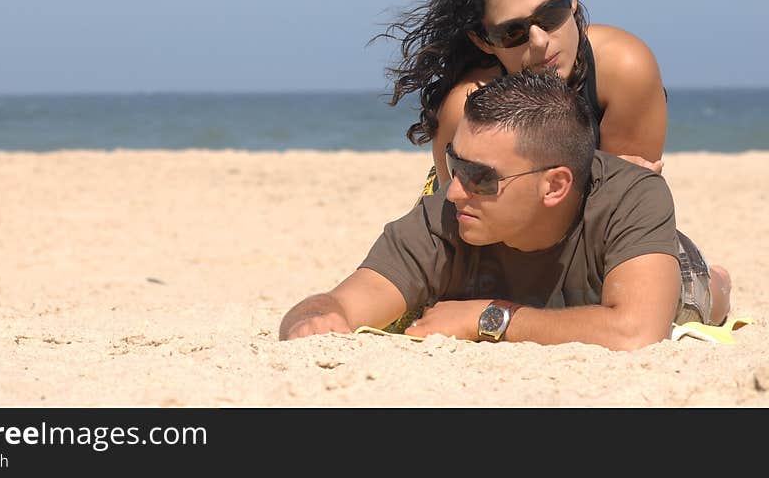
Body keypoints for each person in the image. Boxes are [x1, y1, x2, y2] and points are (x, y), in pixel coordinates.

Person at [278, 71, 731, 351]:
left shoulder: (633, 196)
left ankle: (720, 283)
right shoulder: (444, 216)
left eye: (481, 177)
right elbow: (336, 302)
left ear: (554, 185)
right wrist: (317, 320)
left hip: (660, 265)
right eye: (455, 165)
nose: (454, 191)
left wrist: (487, 318)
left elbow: (636, 332)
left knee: (694, 305)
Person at [373, 0, 667, 191]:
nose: (539, 41)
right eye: (512, 33)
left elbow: (627, 208)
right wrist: (600, 184)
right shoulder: (464, 109)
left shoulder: (623, 70)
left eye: (551, 13)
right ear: (483, 41)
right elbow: (469, 227)